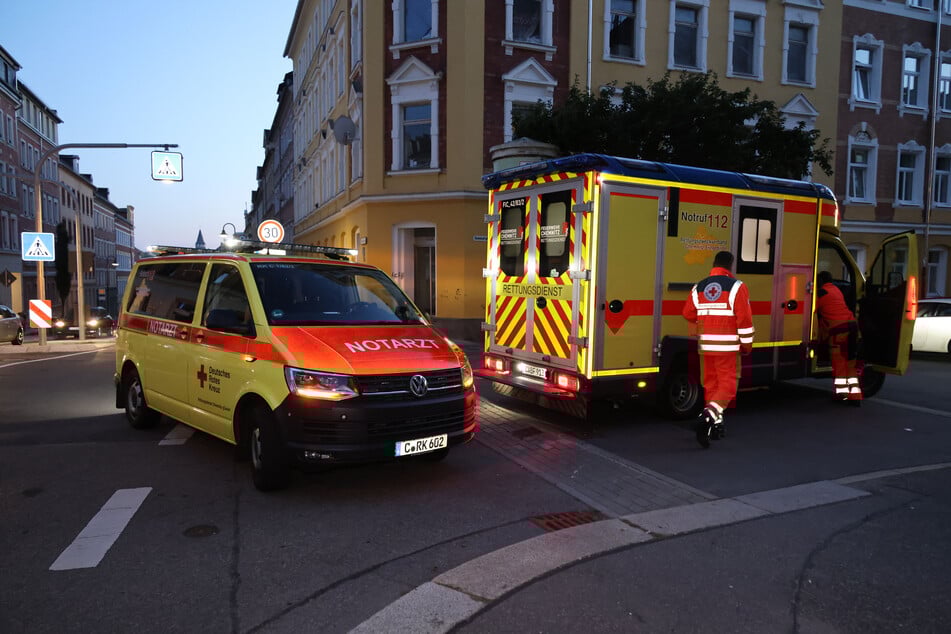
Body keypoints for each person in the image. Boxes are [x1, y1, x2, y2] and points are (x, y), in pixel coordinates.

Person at [682, 251, 754, 448]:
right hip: (728, 348)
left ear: (714, 264)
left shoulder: (699, 286)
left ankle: (714, 426)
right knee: (728, 386)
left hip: (706, 347)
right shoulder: (737, 287)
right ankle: (707, 417)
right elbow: (745, 321)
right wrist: (746, 345)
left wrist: (706, 322)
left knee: (712, 385)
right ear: (730, 266)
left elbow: (687, 312)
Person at [815, 270, 862, 405]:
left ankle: (842, 395)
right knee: (850, 364)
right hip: (852, 327)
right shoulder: (836, 290)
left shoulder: (822, 292)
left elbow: (812, 309)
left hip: (839, 331)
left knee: (839, 364)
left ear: (821, 281)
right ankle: (855, 396)